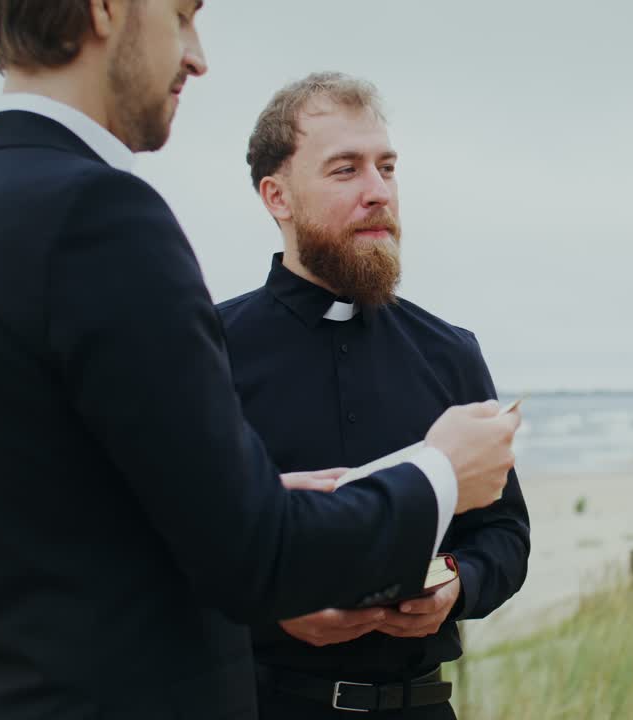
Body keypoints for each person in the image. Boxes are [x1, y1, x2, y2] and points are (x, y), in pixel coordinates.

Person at [0, 3, 518, 718]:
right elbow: (257, 557)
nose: (196, 55)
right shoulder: (103, 217)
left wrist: (449, 575)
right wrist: (443, 470)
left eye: (387, 167)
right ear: (109, 9)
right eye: (181, 14)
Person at [216, 72, 531, 719]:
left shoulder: (450, 352)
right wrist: (270, 612)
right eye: (346, 170)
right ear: (276, 196)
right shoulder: (208, 351)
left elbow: (504, 534)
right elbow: (175, 547)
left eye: (387, 168)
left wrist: (455, 586)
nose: (378, 192)